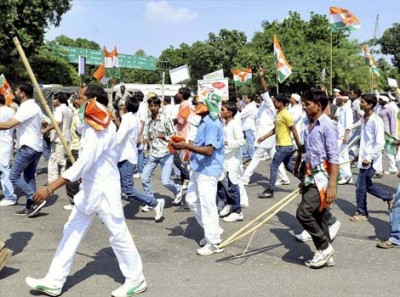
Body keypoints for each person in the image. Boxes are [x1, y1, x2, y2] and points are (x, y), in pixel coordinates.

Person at [25, 85, 147, 297]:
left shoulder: (99, 124)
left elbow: (84, 162)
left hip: (104, 191)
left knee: (118, 235)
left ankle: (136, 279)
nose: (75, 100)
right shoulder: (92, 121)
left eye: (79, 97)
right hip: (90, 191)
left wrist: (50, 187)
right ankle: (54, 280)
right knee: (70, 231)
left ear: (91, 99)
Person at [171, 93, 225, 256]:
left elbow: (208, 150)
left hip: (208, 170)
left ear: (208, 105)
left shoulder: (213, 124)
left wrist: (186, 146)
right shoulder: (203, 120)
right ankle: (213, 231)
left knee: (208, 204)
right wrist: (188, 148)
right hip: (198, 167)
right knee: (192, 199)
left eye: (198, 104)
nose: (195, 106)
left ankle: (214, 241)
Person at [294, 89, 339, 268]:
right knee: (317, 214)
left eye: (307, 104)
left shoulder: (328, 126)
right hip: (310, 174)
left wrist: (332, 186)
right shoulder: (308, 123)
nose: (303, 107)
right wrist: (301, 169)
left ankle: (324, 247)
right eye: (303, 103)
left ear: (318, 106)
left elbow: (334, 157)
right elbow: (308, 151)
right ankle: (325, 252)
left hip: (322, 178)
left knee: (303, 213)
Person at [0, 82, 46, 217]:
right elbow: (46, 121)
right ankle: (30, 207)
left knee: (13, 176)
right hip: (34, 146)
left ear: (23, 93)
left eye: (17, 90)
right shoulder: (33, 107)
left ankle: (35, 199)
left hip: (28, 147)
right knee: (28, 177)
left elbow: (9, 125)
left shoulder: (27, 107)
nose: (14, 92)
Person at [117, 95, 165, 221]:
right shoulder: (134, 119)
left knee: (128, 189)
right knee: (118, 186)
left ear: (125, 107)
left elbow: (118, 138)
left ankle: (154, 202)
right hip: (127, 156)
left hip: (126, 158)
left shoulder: (128, 119)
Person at [242, 67, 290, 187]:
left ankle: (245, 179)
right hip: (267, 137)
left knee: (256, 158)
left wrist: (261, 77)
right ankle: (284, 178)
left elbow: (264, 91)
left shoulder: (270, 105)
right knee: (275, 158)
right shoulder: (263, 105)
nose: (259, 95)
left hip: (266, 137)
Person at [350, 94, 394, 222]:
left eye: (362, 102)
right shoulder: (365, 118)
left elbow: (380, 143)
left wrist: (369, 157)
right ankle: (388, 196)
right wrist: (348, 128)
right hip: (364, 157)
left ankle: (362, 212)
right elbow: (358, 125)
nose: (360, 104)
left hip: (370, 159)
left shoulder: (376, 121)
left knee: (360, 186)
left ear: (370, 105)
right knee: (366, 185)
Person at [141, 95, 183, 208]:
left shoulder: (165, 118)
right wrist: (145, 139)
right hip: (153, 154)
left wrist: (164, 136)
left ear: (159, 106)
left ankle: (178, 189)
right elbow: (146, 133)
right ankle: (150, 200)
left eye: (155, 105)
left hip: (166, 153)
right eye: (151, 105)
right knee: (144, 177)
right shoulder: (148, 120)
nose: (153, 108)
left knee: (165, 181)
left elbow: (174, 136)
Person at [257, 93, 301, 198]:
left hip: (285, 146)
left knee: (273, 166)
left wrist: (299, 144)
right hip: (284, 146)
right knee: (288, 166)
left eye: (275, 102)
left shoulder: (286, 114)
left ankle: (270, 190)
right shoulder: (278, 113)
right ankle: (305, 181)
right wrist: (264, 137)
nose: (274, 104)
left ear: (281, 103)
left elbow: (293, 129)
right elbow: (275, 129)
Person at [217, 102, 246, 222]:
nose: (221, 111)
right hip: (223, 158)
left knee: (232, 185)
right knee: (220, 183)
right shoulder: (224, 123)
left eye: (223, 109)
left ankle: (237, 211)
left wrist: (227, 143)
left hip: (232, 160)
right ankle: (228, 204)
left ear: (229, 113)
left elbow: (241, 141)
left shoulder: (235, 124)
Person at [41, 92, 73, 185]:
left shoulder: (59, 109)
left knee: (60, 160)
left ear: (58, 100)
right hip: (65, 137)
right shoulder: (69, 109)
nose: (53, 101)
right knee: (53, 159)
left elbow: (58, 122)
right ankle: (53, 180)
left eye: (54, 99)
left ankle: (66, 177)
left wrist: (46, 129)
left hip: (59, 139)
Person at [0, 94, 18, 206]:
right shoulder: (11, 111)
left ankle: (10, 196)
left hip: (2, 145)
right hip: (8, 143)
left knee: (4, 171)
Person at [240, 93, 257, 163]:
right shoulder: (249, 105)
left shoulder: (250, 106)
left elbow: (242, 115)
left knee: (250, 142)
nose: (244, 99)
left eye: (246, 98)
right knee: (246, 141)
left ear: (249, 99)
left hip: (248, 126)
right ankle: (246, 154)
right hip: (246, 126)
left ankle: (252, 156)